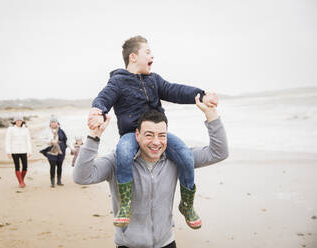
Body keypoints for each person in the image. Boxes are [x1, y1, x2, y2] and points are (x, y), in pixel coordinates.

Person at [88, 35, 218, 228]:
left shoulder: (154, 80)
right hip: (131, 135)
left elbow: (175, 91)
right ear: (133, 57)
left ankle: (187, 204)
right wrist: (97, 110)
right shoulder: (118, 82)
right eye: (147, 52)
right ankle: (125, 204)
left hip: (157, 133)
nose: (152, 56)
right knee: (123, 153)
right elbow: (104, 97)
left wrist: (202, 94)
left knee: (184, 154)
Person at [74, 95, 228, 248]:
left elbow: (219, 152)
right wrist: (95, 135)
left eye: (161, 135)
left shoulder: (177, 159)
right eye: (149, 135)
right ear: (137, 135)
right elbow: (82, 177)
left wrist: (211, 114)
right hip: (128, 245)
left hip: (166, 243)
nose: (156, 142)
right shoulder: (118, 161)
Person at [40, 115, 68, 187]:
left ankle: (59, 181)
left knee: (59, 166)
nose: (53, 123)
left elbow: (66, 140)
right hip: (51, 150)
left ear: (57, 123)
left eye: (55, 122)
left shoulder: (61, 131)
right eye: (52, 122)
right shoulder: (47, 131)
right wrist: (50, 141)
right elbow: (42, 139)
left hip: (61, 151)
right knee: (52, 166)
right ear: (50, 123)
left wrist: (70, 148)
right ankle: (52, 182)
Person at [5, 114, 32, 188]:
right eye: (17, 120)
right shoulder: (10, 129)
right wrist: (8, 152)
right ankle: (21, 183)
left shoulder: (26, 129)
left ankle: (21, 180)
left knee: (25, 167)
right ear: (14, 121)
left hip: (24, 150)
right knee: (17, 167)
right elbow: (8, 141)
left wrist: (29, 151)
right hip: (14, 151)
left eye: (20, 120)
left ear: (22, 121)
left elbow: (28, 141)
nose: (19, 121)